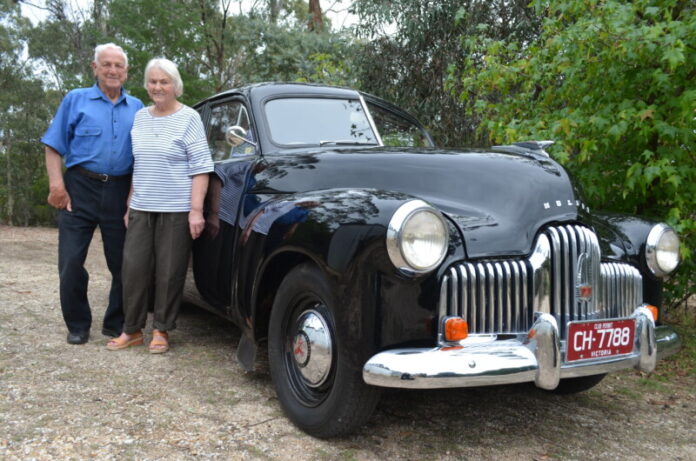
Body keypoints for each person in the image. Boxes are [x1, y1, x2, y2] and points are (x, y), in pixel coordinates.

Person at [107, 58, 213, 354]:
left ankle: (162, 330)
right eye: (152, 81)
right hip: (142, 207)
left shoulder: (189, 117)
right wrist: (129, 204)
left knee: (169, 272)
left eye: (164, 81)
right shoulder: (141, 117)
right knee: (133, 269)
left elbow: (201, 167)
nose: (157, 87)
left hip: (176, 209)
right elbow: (138, 164)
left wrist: (196, 210)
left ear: (175, 85)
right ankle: (132, 330)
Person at [41, 43, 144, 345]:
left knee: (124, 263)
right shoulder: (76, 99)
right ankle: (77, 324)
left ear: (126, 72)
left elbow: (144, 157)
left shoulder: (138, 108)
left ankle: (116, 323)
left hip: (120, 191)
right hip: (79, 188)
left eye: (119, 66)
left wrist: (132, 197)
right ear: (95, 68)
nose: (113, 70)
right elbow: (53, 145)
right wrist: (56, 186)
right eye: (107, 64)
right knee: (71, 262)